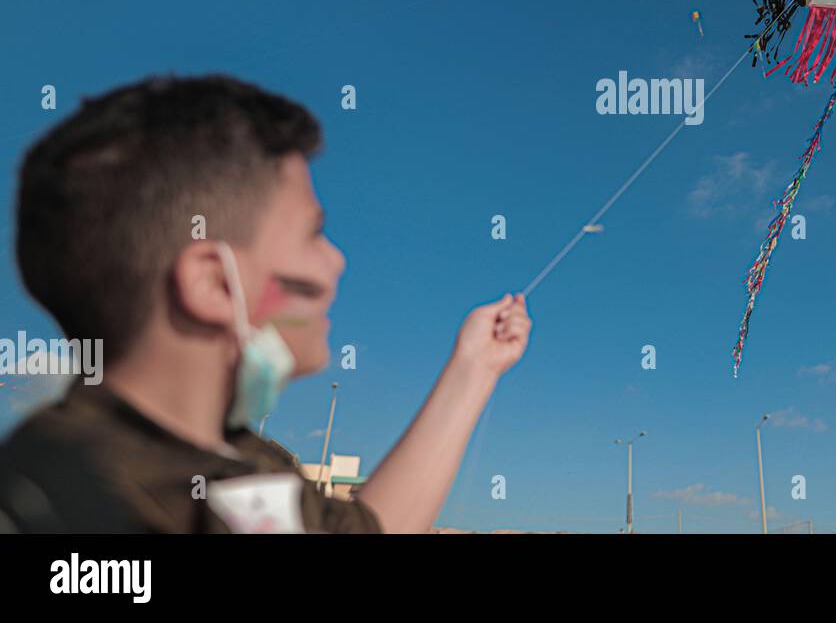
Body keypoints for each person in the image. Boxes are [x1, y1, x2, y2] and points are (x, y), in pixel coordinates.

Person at [0, 74, 530, 533]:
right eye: (314, 234)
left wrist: (474, 368)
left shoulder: (247, 466)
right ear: (214, 283)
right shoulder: (45, 505)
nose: (336, 261)